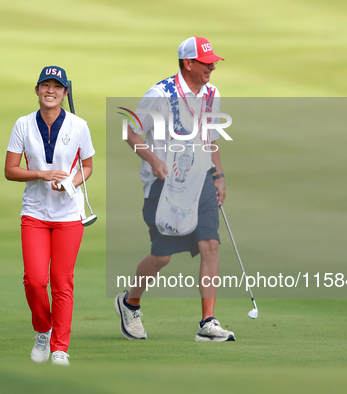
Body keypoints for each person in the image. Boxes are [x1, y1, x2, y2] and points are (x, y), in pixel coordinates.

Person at [114, 36, 235, 342]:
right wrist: (153, 159)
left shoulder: (211, 93)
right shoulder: (160, 93)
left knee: (211, 244)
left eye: (213, 63)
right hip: (164, 183)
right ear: (188, 63)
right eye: (205, 63)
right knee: (163, 256)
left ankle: (208, 322)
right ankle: (130, 302)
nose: (211, 68)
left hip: (200, 179)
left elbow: (210, 138)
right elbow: (131, 130)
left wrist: (218, 175)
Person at [5, 66, 95, 366]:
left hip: (69, 214)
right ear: (37, 90)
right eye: (46, 85)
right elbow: (10, 170)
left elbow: (88, 166)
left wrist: (69, 182)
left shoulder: (79, 125)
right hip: (35, 212)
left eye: (57, 87)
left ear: (65, 92)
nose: (51, 91)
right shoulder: (23, 124)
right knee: (34, 280)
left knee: (61, 281)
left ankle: (59, 347)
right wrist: (42, 175)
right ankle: (43, 329)